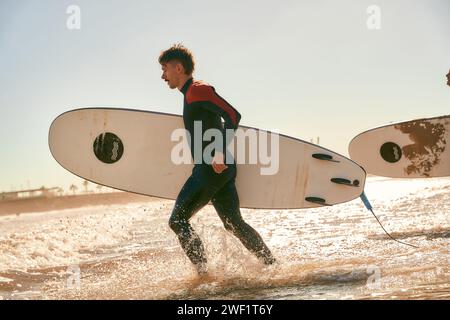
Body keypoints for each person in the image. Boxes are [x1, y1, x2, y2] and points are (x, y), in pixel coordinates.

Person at [159, 44, 275, 275]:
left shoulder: (198, 90)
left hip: (211, 168)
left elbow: (233, 115)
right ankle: (272, 265)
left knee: (177, 221)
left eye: (165, 69)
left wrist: (220, 151)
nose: (163, 76)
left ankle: (203, 275)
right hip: (219, 169)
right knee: (234, 224)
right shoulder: (190, 94)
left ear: (179, 68)